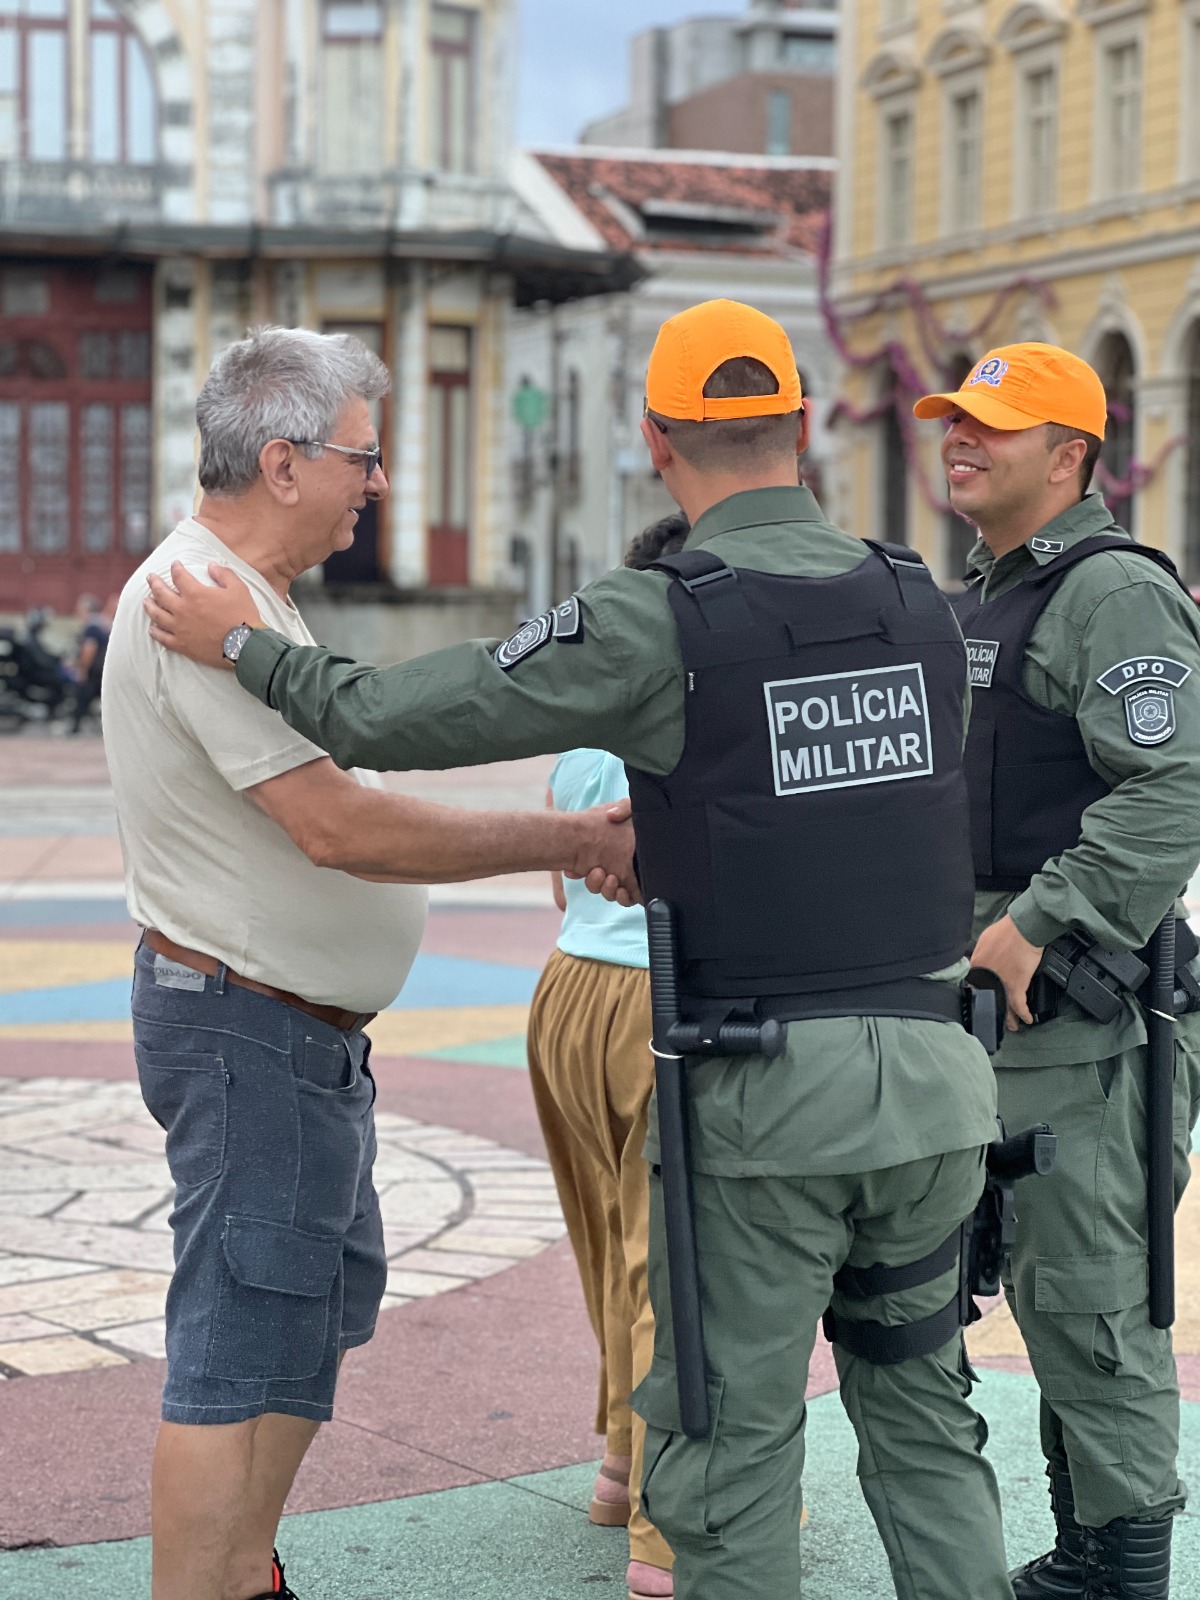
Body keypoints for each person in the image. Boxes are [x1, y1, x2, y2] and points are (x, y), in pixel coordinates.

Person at [144, 299, 1015, 1600]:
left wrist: (244, 646)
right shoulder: (921, 606)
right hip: (939, 1092)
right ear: (802, 432)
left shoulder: (658, 618)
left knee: (728, 1460)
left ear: (658, 442)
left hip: (766, 1104)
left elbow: (387, 714)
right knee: (928, 1431)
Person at [103, 325, 636, 1600]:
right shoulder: (198, 605)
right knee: (239, 1336)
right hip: (247, 1027)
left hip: (288, 1030)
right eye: (364, 457)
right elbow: (339, 824)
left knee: (304, 1309)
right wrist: (562, 836)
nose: (378, 483)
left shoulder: (247, 605)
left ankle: (244, 1568)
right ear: (284, 463)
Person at [913, 343, 1200, 1600]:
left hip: (1086, 1036)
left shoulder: (1113, 594)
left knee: (1091, 1306)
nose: (961, 439)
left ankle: (1124, 1572)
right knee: (1042, 1289)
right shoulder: (988, 593)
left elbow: (1179, 781)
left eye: (995, 426)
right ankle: (1087, 1553)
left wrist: (1042, 918)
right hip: (1001, 1035)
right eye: (956, 421)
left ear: (1071, 454)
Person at [529, 511, 688, 1600]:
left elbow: (561, 878)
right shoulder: (694, 719)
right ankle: (663, 1529)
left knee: (606, 1241)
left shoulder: (587, 723)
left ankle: (615, 1461)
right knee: (668, 1260)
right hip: (651, 997)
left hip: (564, 995)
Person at [64, 592, 111, 733]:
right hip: (102, 670)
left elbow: (89, 650)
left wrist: (82, 670)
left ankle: (75, 728)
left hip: (94, 671)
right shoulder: (101, 624)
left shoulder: (92, 626)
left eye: (79, 608)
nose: (76, 611)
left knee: (82, 697)